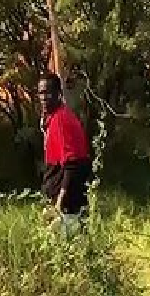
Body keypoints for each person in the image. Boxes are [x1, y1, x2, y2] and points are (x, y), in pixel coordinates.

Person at [38, 72, 92, 234]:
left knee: (68, 250)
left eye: (48, 93)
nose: (43, 97)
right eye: (41, 93)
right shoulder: (54, 118)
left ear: (58, 94)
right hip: (60, 202)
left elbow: (72, 164)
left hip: (67, 207)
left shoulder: (61, 119)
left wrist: (59, 203)